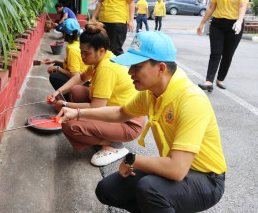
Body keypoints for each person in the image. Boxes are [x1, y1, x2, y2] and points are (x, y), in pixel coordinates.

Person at [58, 31, 227, 212]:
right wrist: (77, 113)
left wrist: (133, 160)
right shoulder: (151, 92)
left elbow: (177, 169)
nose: (130, 72)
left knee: (150, 189)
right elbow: (121, 112)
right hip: (175, 167)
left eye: (136, 67)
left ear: (161, 69)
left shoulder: (191, 100)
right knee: (106, 190)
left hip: (206, 179)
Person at [48, 22, 145, 166]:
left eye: (86, 53)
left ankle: (114, 145)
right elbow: (80, 78)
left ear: (100, 50)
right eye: (81, 51)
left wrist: (65, 104)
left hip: (127, 123)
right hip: (113, 111)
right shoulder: (104, 57)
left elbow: (96, 106)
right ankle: (99, 133)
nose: (82, 56)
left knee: (70, 126)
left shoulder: (106, 67)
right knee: (76, 90)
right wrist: (59, 92)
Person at [197, 0, 249, 92]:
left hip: (234, 24)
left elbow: (243, 5)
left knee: (228, 54)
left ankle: (220, 79)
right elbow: (211, 7)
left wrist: (239, 20)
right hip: (218, 23)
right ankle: (209, 81)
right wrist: (202, 23)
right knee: (216, 52)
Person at [43, 19, 88, 101]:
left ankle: (68, 99)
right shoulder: (78, 42)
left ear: (65, 34)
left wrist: (57, 68)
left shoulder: (72, 49)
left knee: (54, 76)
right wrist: (55, 60)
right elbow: (71, 63)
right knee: (57, 65)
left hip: (84, 83)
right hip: (84, 76)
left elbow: (75, 76)